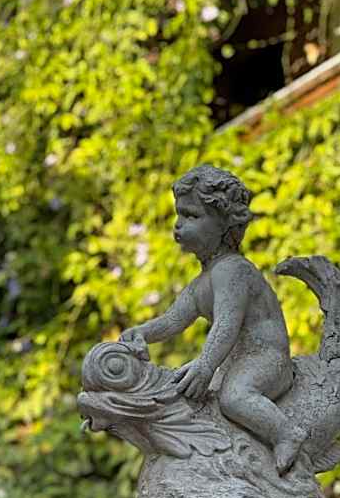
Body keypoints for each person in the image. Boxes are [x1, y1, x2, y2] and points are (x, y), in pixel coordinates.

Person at [120, 164, 304, 474]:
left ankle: (286, 433)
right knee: (192, 397)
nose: (179, 225)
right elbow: (173, 320)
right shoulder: (204, 281)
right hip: (236, 362)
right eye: (179, 215)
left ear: (223, 223)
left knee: (234, 397)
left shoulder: (233, 270)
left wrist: (205, 365)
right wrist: (141, 333)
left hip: (266, 360)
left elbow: (227, 324)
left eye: (191, 216)